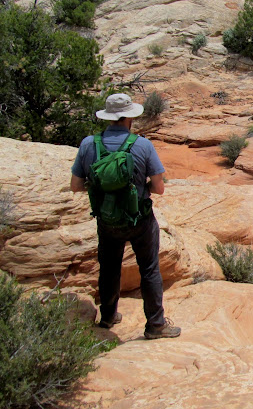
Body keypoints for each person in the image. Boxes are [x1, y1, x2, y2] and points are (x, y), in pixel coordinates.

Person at [70, 93, 180, 340]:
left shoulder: (89, 144)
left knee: (109, 268)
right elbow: (159, 188)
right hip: (139, 218)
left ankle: (108, 317)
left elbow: (76, 185)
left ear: (107, 118)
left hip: (107, 220)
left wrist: (104, 189)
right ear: (130, 117)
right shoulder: (142, 145)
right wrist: (139, 189)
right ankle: (155, 325)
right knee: (149, 269)